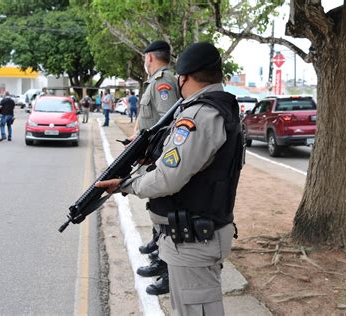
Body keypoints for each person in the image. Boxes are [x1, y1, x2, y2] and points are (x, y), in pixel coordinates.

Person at [96, 42, 244, 315]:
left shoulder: (198, 115)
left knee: (195, 309)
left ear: (184, 77)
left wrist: (127, 184)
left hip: (194, 239)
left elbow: (168, 179)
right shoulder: (220, 106)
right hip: (198, 232)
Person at [128, 40, 179, 296]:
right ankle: (160, 255)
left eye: (143, 58)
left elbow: (168, 122)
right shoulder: (156, 80)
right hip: (153, 155)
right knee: (158, 207)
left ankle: (168, 269)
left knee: (166, 211)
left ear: (149, 57)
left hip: (162, 158)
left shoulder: (163, 81)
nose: (143, 62)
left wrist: (150, 151)